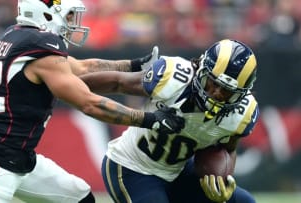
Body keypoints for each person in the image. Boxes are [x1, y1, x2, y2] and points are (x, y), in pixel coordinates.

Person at [0, 0, 184, 203]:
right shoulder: (40, 46)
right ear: (45, 14)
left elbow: (83, 67)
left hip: (21, 158)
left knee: (79, 198)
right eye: (67, 16)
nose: (70, 23)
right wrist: (149, 119)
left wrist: (133, 65)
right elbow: (89, 103)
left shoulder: (17, 37)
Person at [81, 39, 259, 203]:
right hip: (133, 167)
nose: (217, 93)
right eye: (213, 83)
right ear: (200, 70)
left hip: (177, 172)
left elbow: (228, 150)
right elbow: (118, 83)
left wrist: (223, 181)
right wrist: (70, 86)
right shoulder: (173, 77)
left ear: (241, 94)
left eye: (227, 91)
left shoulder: (243, 113)